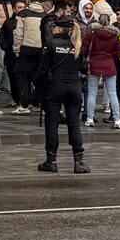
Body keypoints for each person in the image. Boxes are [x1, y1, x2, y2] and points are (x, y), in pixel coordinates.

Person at [36, 13, 88, 173]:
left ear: (59, 28)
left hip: (55, 85)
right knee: (74, 123)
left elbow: (43, 69)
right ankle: (79, 161)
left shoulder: (52, 44)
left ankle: (51, 160)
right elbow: (83, 67)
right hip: (74, 86)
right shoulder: (77, 44)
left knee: (52, 123)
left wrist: (38, 88)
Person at [81, 11, 120, 129]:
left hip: (94, 64)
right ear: (109, 22)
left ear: (98, 21)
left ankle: (90, 118)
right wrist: (111, 57)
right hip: (109, 64)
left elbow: (84, 48)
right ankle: (117, 120)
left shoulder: (92, 33)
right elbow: (119, 53)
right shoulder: (115, 35)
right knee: (113, 93)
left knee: (92, 92)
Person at [10, 0, 48, 113]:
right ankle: (42, 105)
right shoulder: (45, 15)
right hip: (41, 50)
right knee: (40, 78)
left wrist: (16, 49)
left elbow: (18, 33)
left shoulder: (23, 14)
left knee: (23, 77)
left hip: (26, 49)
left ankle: (24, 105)